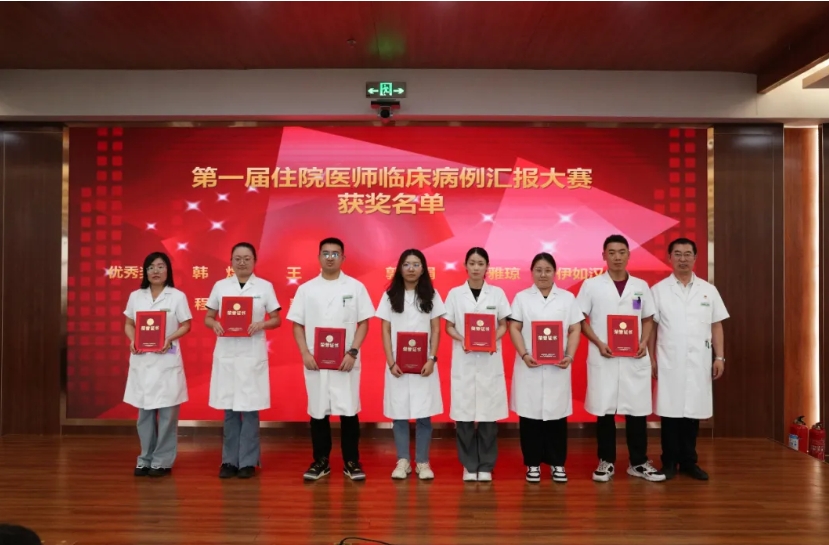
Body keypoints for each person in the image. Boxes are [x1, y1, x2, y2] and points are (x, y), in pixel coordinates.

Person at [576, 234, 665, 482]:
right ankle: (606, 461)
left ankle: (638, 462)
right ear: (603, 256)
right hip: (604, 355)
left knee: (637, 411)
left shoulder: (641, 286)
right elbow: (579, 319)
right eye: (612, 252)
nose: (617, 257)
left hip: (634, 357)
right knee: (604, 410)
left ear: (628, 255)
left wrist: (644, 342)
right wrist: (599, 342)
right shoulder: (591, 286)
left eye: (622, 252)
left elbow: (647, 318)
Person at [288, 237, 375, 481]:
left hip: (346, 360)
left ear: (343, 258)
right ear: (318, 257)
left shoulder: (355, 287)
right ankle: (321, 462)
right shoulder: (306, 289)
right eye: (325, 253)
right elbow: (297, 324)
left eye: (335, 254)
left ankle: (351, 462)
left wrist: (353, 352)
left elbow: (364, 322)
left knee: (349, 411)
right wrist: (305, 353)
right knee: (318, 412)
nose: (330, 257)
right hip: (316, 361)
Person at [650, 238, 729, 481]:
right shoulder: (658, 290)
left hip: (699, 361)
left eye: (687, 254)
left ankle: (688, 462)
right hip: (669, 360)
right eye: (677, 254)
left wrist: (720, 357)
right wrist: (652, 358)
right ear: (669, 258)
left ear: (695, 258)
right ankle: (668, 462)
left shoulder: (708, 290)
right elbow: (652, 328)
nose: (682, 259)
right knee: (670, 414)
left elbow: (716, 325)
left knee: (692, 413)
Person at [205, 242, 281, 479]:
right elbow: (208, 316)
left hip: (251, 354)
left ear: (254, 261)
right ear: (231, 262)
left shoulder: (265, 287)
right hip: (227, 353)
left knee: (249, 410)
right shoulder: (220, 286)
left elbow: (276, 319)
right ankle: (229, 461)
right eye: (237, 258)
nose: (242, 262)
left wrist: (261, 324)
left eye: (247, 258)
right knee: (229, 409)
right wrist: (215, 324)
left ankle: (248, 462)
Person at [508, 252, 583, 483]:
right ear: (532, 272)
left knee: (556, 417)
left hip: (557, 366)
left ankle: (557, 463)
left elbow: (575, 329)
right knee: (530, 418)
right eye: (538, 270)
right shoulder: (522, 298)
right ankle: (532, 464)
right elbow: (514, 328)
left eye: (547, 270)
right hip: (530, 364)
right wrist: (524, 354)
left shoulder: (567, 298)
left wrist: (569, 355)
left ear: (555, 272)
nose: (543, 274)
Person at [376, 249, 445, 481]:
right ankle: (403, 460)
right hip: (398, 365)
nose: (411, 269)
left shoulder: (432, 295)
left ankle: (423, 462)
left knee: (424, 415)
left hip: (424, 365)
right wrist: (390, 361)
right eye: (407, 264)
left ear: (423, 269)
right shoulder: (389, 296)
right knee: (399, 414)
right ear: (400, 268)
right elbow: (385, 330)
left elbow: (436, 329)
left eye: (416, 264)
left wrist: (432, 358)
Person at [444, 247, 511, 482]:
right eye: (472, 263)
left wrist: (493, 339)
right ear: (465, 266)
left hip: (489, 360)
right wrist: (462, 339)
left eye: (480, 263)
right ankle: (469, 465)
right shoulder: (455, 294)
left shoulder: (497, 293)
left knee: (488, 417)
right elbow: (448, 326)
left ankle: (486, 465)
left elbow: (503, 324)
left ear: (487, 267)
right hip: (464, 359)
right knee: (464, 417)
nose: (476, 267)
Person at [123, 251, 191, 478]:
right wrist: (133, 339)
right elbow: (129, 323)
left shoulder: (177, 296)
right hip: (143, 361)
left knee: (168, 415)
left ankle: (162, 461)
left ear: (168, 270)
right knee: (144, 415)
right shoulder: (136, 296)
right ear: (145, 271)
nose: (156, 271)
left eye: (160, 266)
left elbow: (186, 325)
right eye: (151, 267)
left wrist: (169, 338)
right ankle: (145, 458)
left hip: (166, 360)